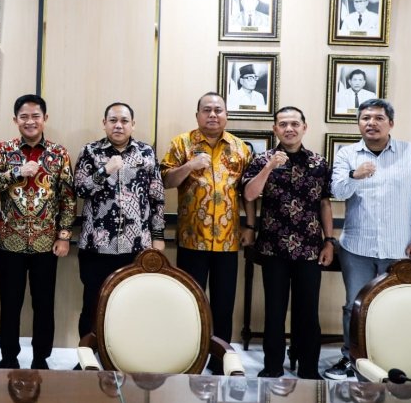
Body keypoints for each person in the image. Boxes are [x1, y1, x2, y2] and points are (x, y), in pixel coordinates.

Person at [325, 98, 411, 380]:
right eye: (365, 118)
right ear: (358, 123)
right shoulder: (347, 154)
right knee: (354, 306)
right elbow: (337, 191)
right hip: (357, 247)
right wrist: (355, 175)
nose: (371, 123)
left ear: (391, 123)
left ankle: (394, 359)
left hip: (399, 247)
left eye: (378, 118)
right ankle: (351, 359)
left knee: (396, 306)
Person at [159, 92, 252, 373]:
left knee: (223, 304)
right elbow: (165, 181)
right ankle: (191, 356)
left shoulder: (240, 148)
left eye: (218, 110)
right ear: (197, 115)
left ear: (226, 115)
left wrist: (250, 225)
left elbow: (248, 192)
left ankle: (220, 358)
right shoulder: (182, 143)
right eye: (207, 110)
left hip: (228, 241)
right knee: (191, 302)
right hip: (192, 239)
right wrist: (189, 166)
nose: (213, 115)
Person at [0, 94, 75, 370]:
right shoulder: (4, 150)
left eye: (36, 116)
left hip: (46, 242)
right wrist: (16, 172)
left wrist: (64, 235)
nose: (30, 121)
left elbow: (68, 197)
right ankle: (8, 357)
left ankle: (40, 358)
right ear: (15, 120)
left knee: (44, 304)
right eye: (24, 116)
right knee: (10, 303)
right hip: (9, 240)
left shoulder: (59, 153)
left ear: (45, 119)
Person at [241, 106, 334, 379]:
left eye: (294, 123)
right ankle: (272, 367)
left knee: (308, 313)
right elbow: (249, 194)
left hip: (310, 248)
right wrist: (269, 167)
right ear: (275, 129)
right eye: (283, 124)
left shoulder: (318, 163)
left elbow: (325, 204)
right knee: (274, 310)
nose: (289, 129)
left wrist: (329, 241)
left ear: (304, 127)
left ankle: (308, 368)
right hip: (273, 247)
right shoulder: (262, 159)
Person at [73, 102, 165, 339]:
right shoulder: (90, 151)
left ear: (133, 124)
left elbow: (156, 197)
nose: (118, 125)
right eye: (113, 120)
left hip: (136, 246)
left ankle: (125, 354)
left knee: (132, 306)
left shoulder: (146, 153)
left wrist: (158, 236)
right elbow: (79, 189)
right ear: (104, 123)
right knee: (93, 304)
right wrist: (104, 171)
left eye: (124, 121)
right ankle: (88, 354)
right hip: (96, 246)